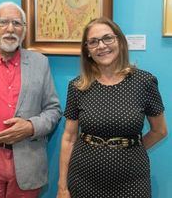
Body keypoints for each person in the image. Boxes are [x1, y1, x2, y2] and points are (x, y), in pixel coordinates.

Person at [57, 17, 168, 198]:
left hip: (132, 182)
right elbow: (69, 137)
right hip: (83, 179)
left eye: (107, 38)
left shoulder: (145, 82)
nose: (101, 46)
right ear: (88, 51)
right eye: (93, 42)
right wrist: (62, 186)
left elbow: (160, 131)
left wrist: (130, 149)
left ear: (120, 42)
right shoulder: (77, 86)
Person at [0, 1, 62, 198]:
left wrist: (30, 127)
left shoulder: (39, 62)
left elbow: (54, 110)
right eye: (4, 22)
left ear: (24, 30)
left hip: (28, 157)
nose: (10, 29)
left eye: (17, 23)